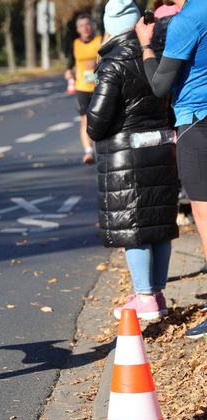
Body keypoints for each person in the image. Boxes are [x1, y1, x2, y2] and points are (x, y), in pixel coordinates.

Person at [86, 0, 179, 320]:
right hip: (162, 146)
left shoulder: (113, 63)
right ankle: (157, 293)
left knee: (135, 226)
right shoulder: (156, 52)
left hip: (126, 154)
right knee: (159, 224)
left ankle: (144, 297)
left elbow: (97, 121)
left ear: (111, 25)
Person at [135, 0, 207, 337]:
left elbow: (160, 85)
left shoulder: (187, 21)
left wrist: (146, 45)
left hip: (197, 123)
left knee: (205, 218)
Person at [65, 13, 102, 164]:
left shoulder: (100, 41)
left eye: (87, 24)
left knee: (102, 118)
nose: (85, 28)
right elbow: (69, 65)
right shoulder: (75, 44)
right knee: (85, 120)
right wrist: (68, 73)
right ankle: (88, 151)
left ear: (92, 26)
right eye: (81, 26)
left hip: (100, 85)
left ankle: (102, 147)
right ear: (77, 29)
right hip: (82, 87)